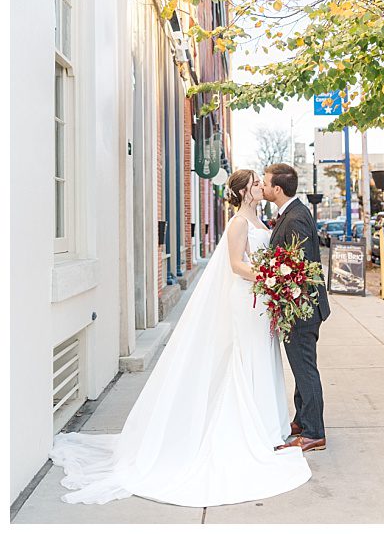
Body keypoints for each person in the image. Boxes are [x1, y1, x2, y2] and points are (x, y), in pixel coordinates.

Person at [50, 170, 311, 506]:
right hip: (247, 298)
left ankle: (267, 425)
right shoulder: (238, 224)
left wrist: (272, 278)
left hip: (259, 299)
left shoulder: (257, 219)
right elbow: (235, 265)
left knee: (262, 356)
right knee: (245, 358)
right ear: (246, 191)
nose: (262, 186)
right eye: (257, 183)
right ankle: (249, 429)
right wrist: (272, 276)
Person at [263, 163, 330, 453]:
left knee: (305, 370)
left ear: (277, 189)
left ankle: (314, 431)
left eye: (265, 183)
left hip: (301, 309)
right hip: (298, 308)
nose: (263, 187)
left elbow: (298, 268)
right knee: (301, 369)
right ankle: (302, 421)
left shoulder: (295, 218)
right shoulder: (291, 214)